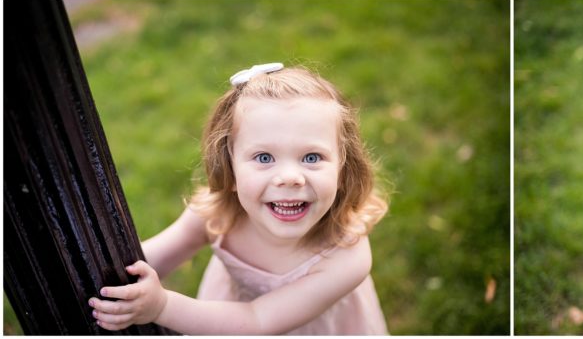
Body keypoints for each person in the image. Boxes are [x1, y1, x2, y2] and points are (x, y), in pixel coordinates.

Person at [87, 63, 390, 334]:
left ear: (343, 165)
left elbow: (257, 320)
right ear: (229, 166)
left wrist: (163, 308)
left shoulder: (347, 256)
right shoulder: (216, 212)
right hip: (226, 316)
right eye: (264, 157)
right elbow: (151, 259)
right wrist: (110, 281)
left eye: (311, 157)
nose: (289, 177)